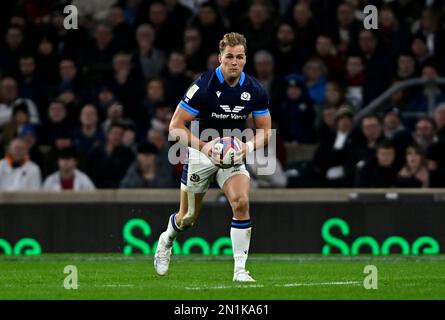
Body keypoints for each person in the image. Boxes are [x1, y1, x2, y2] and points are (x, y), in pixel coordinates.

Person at [154, 32, 272, 282]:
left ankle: (240, 270)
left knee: (240, 202)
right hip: (201, 152)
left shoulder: (254, 89)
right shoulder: (203, 86)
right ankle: (166, 239)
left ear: (245, 59)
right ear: (220, 58)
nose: (234, 62)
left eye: (239, 57)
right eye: (229, 56)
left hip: (233, 153)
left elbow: (265, 132)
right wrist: (206, 147)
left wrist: (247, 147)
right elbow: (175, 127)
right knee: (187, 219)